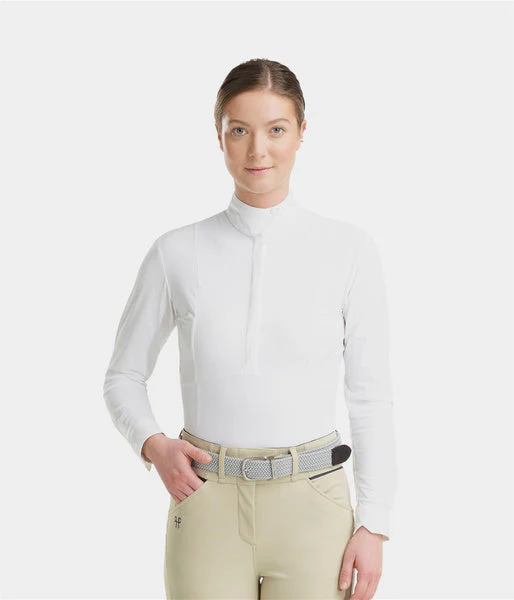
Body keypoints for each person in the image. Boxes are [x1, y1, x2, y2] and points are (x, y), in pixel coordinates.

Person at [103, 58, 397, 600]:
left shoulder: (348, 251)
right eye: (239, 130)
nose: (258, 150)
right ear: (219, 136)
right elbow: (123, 376)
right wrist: (153, 444)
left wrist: (373, 523)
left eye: (276, 129)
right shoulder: (176, 252)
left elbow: (370, 396)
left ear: (302, 133)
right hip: (205, 502)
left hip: (315, 508)